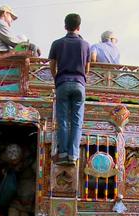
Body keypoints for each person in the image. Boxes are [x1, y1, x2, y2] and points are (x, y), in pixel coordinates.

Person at [48, 13, 90, 166]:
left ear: (65, 26)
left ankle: (63, 152)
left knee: (63, 119)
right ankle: (74, 154)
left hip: (63, 83)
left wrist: (57, 79)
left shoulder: (57, 43)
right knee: (77, 120)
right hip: (79, 83)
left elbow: (52, 66)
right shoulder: (85, 45)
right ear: (79, 27)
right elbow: (87, 68)